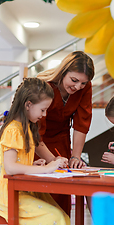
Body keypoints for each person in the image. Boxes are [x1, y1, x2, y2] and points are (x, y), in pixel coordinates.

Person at [0, 78, 70, 225]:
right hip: (10, 194)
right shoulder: (13, 130)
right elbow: (10, 167)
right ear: (28, 105)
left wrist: (32, 164)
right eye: (43, 110)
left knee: (62, 216)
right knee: (55, 218)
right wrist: (45, 168)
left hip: (22, 190)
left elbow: (17, 163)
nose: (44, 114)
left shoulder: (25, 127)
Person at [35, 51, 95, 215]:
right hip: (37, 141)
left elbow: (82, 122)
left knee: (62, 191)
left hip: (61, 139)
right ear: (63, 72)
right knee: (42, 188)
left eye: (83, 83)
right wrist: (52, 161)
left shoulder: (85, 88)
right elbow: (35, 134)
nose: (77, 87)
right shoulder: (43, 85)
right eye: (74, 80)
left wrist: (75, 156)